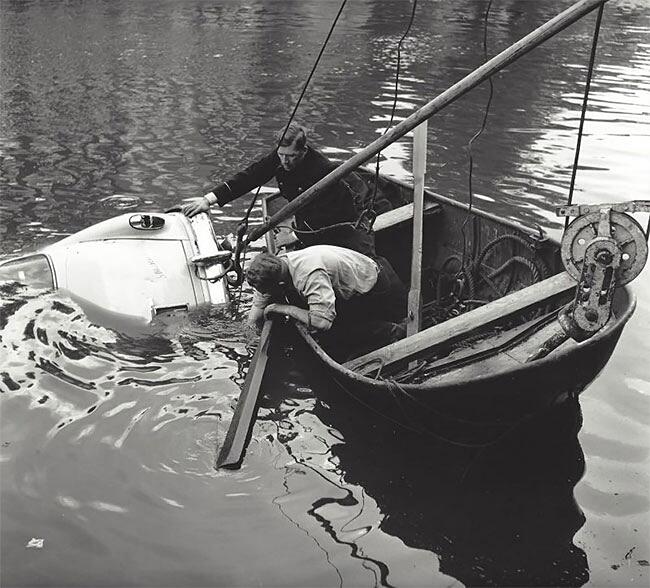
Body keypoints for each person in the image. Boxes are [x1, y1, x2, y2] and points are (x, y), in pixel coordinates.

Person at [180, 123, 375, 256]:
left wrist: (293, 236)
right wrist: (209, 200)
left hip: (336, 228)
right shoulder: (280, 157)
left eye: (290, 156)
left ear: (303, 150)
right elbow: (250, 177)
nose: (284, 161)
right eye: (281, 155)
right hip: (304, 219)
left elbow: (329, 215)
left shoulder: (322, 170)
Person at [245, 245, 407, 361]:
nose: (264, 295)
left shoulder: (309, 275)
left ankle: (392, 331)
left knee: (333, 334)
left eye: (267, 291)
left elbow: (322, 322)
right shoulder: (277, 265)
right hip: (354, 278)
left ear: (279, 284)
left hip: (375, 289)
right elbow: (257, 308)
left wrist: (281, 308)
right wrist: (251, 337)